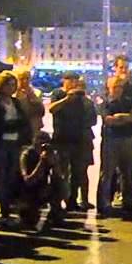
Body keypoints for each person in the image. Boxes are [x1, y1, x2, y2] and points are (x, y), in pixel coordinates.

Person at [0, 71, 32, 228]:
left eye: (13, 84)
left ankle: (5, 213)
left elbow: (24, 121)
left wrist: (16, 128)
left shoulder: (15, 103)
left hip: (14, 143)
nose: (11, 88)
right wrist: (12, 125)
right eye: (8, 84)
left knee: (10, 178)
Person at [47, 72, 98, 212]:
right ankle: (57, 202)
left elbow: (92, 118)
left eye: (75, 80)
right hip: (61, 139)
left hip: (78, 140)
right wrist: (67, 99)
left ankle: (72, 201)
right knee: (61, 173)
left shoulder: (82, 99)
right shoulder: (58, 94)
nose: (73, 83)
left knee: (77, 172)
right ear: (64, 80)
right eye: (70, 80)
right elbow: (52, 109)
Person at [97, 75, 132, 217]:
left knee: (127, 173)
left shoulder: (128, 101)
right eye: (115, 86)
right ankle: (103, 204)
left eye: (120, 86)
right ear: (108, 87)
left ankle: (128, 203)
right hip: (111, 140)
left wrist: (121, 117)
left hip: (127, 139)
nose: (118, 89)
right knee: (108, 173)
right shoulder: (104, 102)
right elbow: (109, 120)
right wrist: (126, 118)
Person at [18, 131, 65, 229]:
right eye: (40, 141)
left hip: (41, 188)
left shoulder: (49, 154)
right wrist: (41, 162)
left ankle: (54, 214)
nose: (43, 145)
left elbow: (60, 177)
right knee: (29, 221)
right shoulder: (26, 155)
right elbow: (28, 181)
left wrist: (55, 163)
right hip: (26, 191)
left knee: (60, 186)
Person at [15, 69, 46, 137]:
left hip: (32, 127)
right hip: (17, 127)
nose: (25, 81)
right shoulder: (12, 93)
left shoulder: (37, 92)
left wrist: (32, 97)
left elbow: (42, 112)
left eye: (27, 78)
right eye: (22, 78)